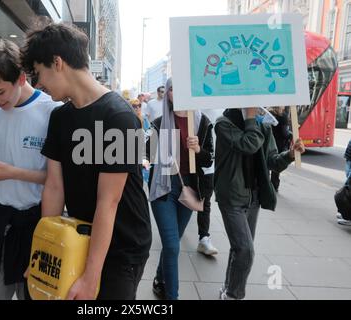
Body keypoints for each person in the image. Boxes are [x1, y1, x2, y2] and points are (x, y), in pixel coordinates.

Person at [21, 22, 152, 300]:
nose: (38, 83)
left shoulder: (121, 118)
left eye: (39, 73)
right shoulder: (59, 117)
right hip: (79, 237)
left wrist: (91, 279)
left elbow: (109, 202)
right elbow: (54, 187)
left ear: (57, 63)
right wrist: (44, 251)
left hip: (122, 245)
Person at [0, 39, 61, 300]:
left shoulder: (52, 111)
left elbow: (58, 182)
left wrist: (14, 172)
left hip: (38, 226)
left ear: (20, 78)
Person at [214, 107, 305, 300]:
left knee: (240, 248)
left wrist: (289, 154)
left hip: (253, 196)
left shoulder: (262, 125)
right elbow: (249, 144)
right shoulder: (224, 123)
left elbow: (271, 160)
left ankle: (228, 287)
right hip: (231, 196)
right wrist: (251, 119)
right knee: (246, 249)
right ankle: (233, 295)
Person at [147, 78, 213, 300]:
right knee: (173, 245)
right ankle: (172, 297)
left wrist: (198, 149)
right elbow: (147, 155)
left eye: (179, 88)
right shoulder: (158, 122)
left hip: (189, 188)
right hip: (163, 187)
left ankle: (160, 278)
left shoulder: (202, 123)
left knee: (171, 243)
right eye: (171, 89)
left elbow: (208, 159)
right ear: (167, 95)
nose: (175, 93)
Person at [269, 107, 292, 192]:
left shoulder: (268, 114)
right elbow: (285, 133)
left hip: (268, 143)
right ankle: (274, 186)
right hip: (278, 145)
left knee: (266, 166)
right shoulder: (283, 117)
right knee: (276, 167)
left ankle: (265, 185)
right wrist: (291, 135)